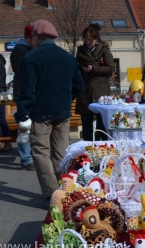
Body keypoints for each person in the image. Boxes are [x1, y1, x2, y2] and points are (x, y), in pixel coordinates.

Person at [15, 20, 84, 199]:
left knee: (41, 154)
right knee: (62, 154)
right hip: (62, 112)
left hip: (40, 114)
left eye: (32, 37)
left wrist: (22, 113)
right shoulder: (68, 57)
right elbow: (79, 87)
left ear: (37, 36)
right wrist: (65, 98)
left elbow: (27, 91)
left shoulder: (31, 58)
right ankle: (67, 193)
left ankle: (53, 195)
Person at [75, 23, 114, 141]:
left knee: (101, 124)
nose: (87, 42)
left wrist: (94, 68)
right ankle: (87, 148)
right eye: (85, 39)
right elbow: (75, 67)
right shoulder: (81, 50)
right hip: (85, 92)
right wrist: (79, 68)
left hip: (100, 91)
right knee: (86, 124)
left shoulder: (104, 49)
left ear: (96, 39)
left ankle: (102, 147)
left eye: (90, 40)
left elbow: (111, 69)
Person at [10, 24, 35, 171]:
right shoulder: (21, 50)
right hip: (23, 94)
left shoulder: (27, 49)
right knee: (24, 127)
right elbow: (24, 74)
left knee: (27, 127)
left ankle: (29, 158)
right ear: (29, 37)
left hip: (25, 93)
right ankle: (26, 160)